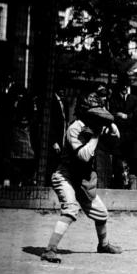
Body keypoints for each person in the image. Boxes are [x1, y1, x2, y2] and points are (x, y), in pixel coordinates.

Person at [40, 93, 122, 263]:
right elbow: (84, 155)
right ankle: (50, 250)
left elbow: (116, 141)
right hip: (65, 176)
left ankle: (103, 245)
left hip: (82, 179)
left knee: (102, 213)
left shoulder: (94, 125)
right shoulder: (75, 128)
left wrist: (112, 127)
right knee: (70, 209)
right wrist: (97, 135)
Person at [109, 74, 137, 189]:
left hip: (131, 140)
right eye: (122, 86)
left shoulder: (134, 99)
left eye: (126, 86)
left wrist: (126, 116)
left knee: (131, 169)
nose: (124, 88)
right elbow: (113, 115)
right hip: (118, 138)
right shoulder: (113, 99)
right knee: (118, 167)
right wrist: (123, 118)